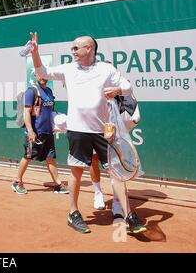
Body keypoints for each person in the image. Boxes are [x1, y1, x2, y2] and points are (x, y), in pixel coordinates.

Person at [28, 32, 146, 234]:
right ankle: (73, 213)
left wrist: (117, 89)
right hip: (77, 131)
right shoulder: (68, 69)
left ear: (89, 49)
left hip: (103, 131)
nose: (72, 51)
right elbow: (42, 71)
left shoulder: (106, 69)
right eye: (72, 47)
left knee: (116, 173)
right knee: (76, 171)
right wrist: (35, 53)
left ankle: (128, 215)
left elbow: (128, 87)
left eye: (76, 47)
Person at [12, 73, 69, 195]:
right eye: (40, 75)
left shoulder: (48, 91)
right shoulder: (31, 91)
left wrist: (56, 125)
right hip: (35, 132)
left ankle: (58, 184)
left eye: (44, 75)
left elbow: (50, 111)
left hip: (48, 132)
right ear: (36, 76)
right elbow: (27, 113)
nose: (42, 77)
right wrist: (31, 131)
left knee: (51, 158)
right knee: (28, 156)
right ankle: (17, 182)